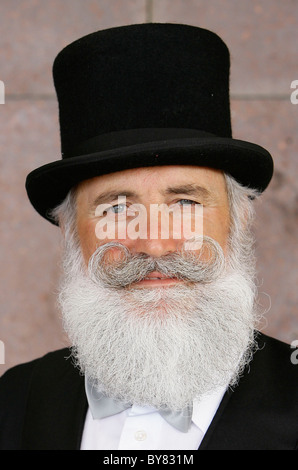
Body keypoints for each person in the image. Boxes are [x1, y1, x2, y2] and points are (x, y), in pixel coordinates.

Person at [0, 23, 297, 451]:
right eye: (116, 209)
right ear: (69, 231)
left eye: (186, 204)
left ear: (239, 217)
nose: (155, 244)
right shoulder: (15, 402)